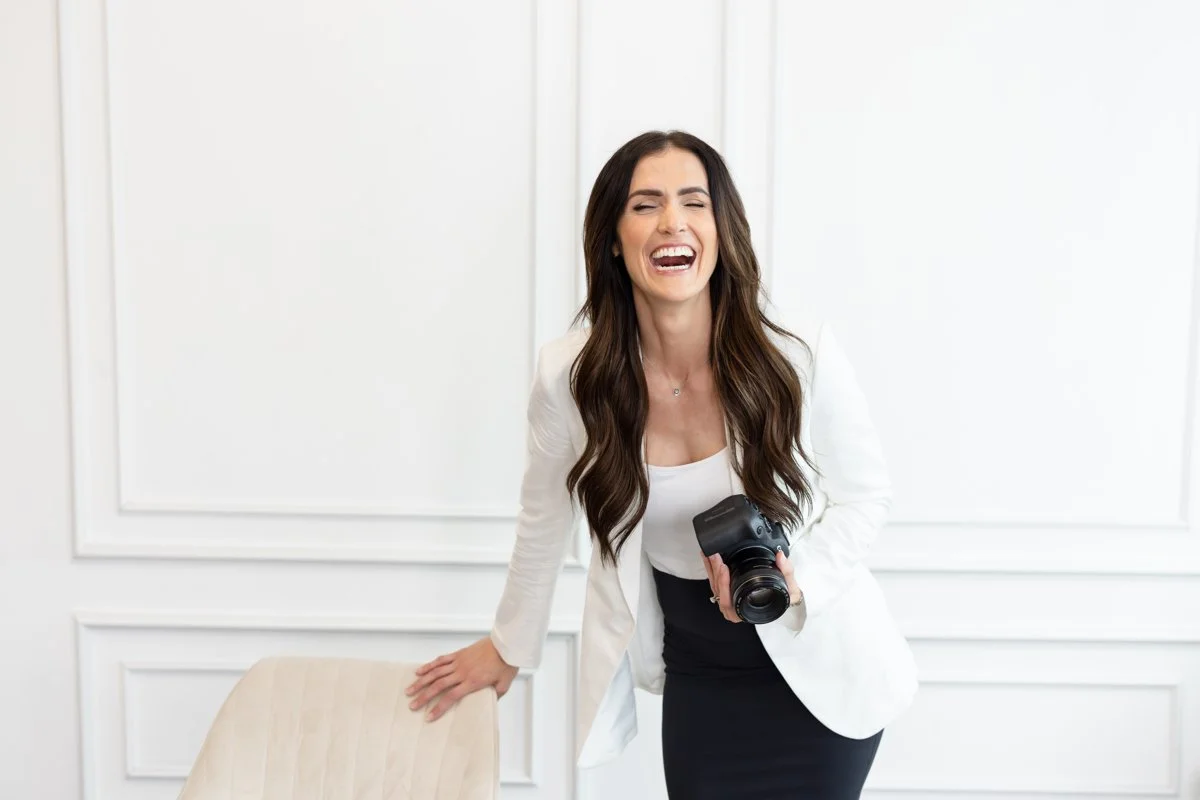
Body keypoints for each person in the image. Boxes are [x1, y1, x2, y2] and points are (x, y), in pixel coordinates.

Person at [406, 130, 917, 798]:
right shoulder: (572, 376)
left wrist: (800, 582)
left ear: (720, 229)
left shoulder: (796, 353)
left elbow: (866, 496)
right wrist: (509, 646)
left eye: (692, 202)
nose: (672, 220)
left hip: (817, 675)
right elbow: (543, 517)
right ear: (614, 239)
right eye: (645, 205)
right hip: (701, 680)